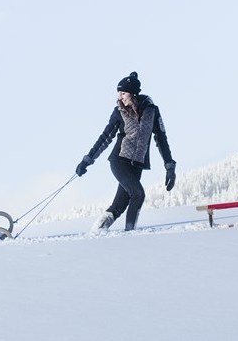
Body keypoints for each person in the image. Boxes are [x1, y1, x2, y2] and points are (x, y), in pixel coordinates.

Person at [75, 72, 177, 231]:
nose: (120, 96)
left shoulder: (152, 112)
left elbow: (161, 139)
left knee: (120, 205)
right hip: (119, 160)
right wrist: (87, 160)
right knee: (138, 195)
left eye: (123, 93)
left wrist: (170, 167)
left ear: (133, 93)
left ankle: (97, 231)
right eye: (119, 93)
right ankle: (130, 235)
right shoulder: (119, 112)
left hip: (137, 164)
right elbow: (105, 138)